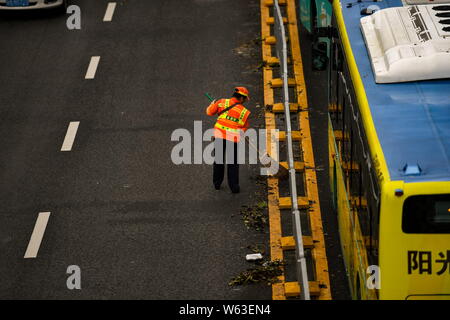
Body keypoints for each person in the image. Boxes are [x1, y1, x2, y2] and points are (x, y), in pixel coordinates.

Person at [205, 87, 251, 193]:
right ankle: (234, 187)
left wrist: (212, 104)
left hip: (219, 136)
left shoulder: (221, 102)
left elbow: (209, 112)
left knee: (218, 160)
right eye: (244, 99)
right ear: (241, 98)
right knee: (233, 163)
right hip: (232, 139)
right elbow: (243, 127)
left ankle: (217, 184)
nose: (245, 102)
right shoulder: (244, 112)